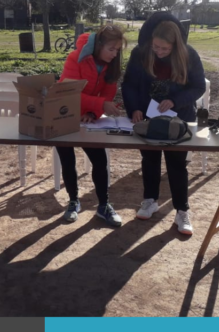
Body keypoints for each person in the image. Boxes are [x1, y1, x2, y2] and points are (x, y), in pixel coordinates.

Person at [121, 12, 205, 235]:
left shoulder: (189, 55)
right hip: (148, 117)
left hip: (180, 117)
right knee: (149, 159)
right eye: (156, 47)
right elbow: (129, 84)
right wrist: (134, 108)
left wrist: (175, 100)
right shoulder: (140, 53)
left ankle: (182, 211)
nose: (159, 52)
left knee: (177, 164)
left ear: (176, 46)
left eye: (165, 49)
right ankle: (150, 200)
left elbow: (198, 87)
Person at [55, 24, 127, 227]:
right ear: (98, 46)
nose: (114, 54)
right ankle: (73, 201)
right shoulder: (75, 58)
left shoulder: (111, 65)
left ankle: (104, 205)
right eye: (111, 49)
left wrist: (93, 112)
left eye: (117, 50)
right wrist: (100, 105)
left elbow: (108, 92)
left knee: (100, 161)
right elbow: (69, 91)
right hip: (63, 114)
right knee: (67, 160)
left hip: (89, 118)